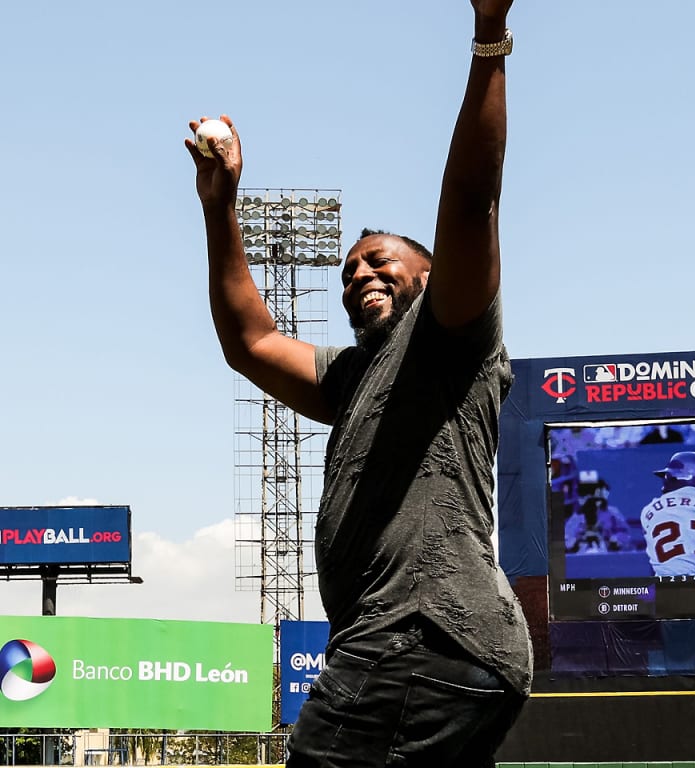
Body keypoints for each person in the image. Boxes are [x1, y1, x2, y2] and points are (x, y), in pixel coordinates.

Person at [185, 2, 529, 765]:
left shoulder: (450, 335)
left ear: (433, 276)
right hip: (437, 647)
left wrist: (488, 39)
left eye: (379, 261)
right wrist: (221, 208)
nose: (360, 275)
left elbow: (473, 200)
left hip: (420, 632)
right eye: (349, 272)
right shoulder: (352, 376)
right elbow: (251, 343)